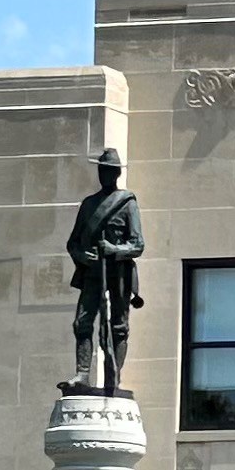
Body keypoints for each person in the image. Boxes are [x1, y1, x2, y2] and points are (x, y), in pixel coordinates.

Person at [66, 147, 145, 392]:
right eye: (102, 170)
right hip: (92, 272)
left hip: (119, 273)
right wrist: (83, 256)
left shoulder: (127, 202)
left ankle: (114, 376)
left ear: (117, 174)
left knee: (118, 326)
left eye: (110, 171)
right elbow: (73, 243)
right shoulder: (88, 204)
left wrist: (113, 249)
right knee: (82, 322)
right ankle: (82, 374)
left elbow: (138, 244)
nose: (105, 175)